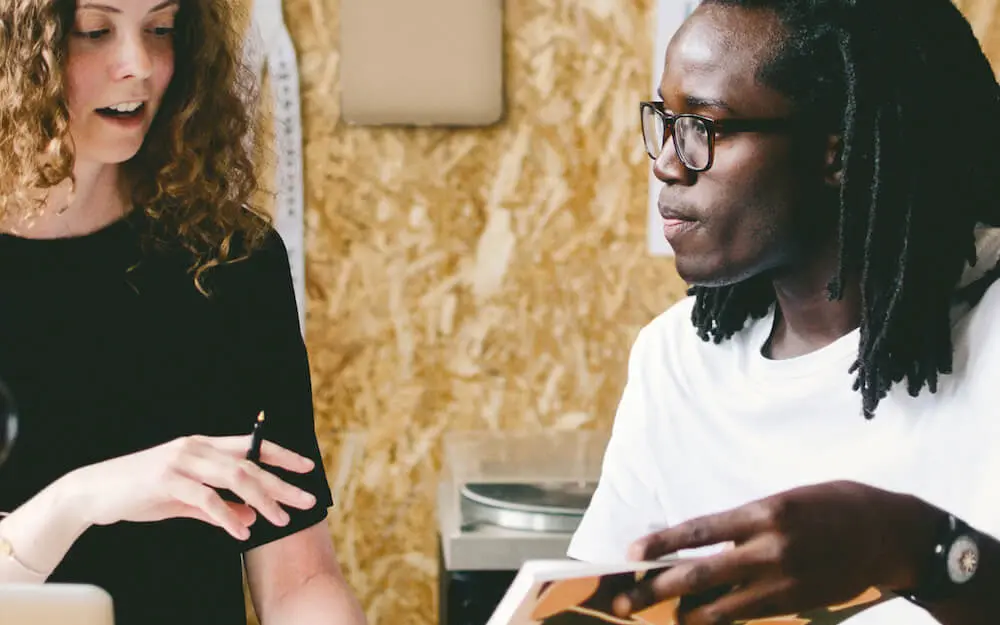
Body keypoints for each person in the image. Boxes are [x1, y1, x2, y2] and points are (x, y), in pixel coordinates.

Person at [568, 1, 1000, 624]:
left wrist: (916, 550)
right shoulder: (677, 362)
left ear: (841, 151)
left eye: (704, 126)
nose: (665, 162)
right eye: (666, 119)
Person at [0, 1, 366, 625]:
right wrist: (80, 499)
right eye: (94, 32)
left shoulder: (231, 261)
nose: (138, 65)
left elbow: (298, 580)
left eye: (160, 29)